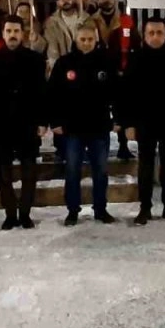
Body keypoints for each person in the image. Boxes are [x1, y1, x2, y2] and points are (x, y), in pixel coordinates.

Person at [118, 18, 165, 225]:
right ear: (144, 35)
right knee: (146, 166)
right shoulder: (136, 58)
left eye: (159, 32)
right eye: (151, 33)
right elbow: (126, 94)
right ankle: (145, 208)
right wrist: (128, 123)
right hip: (144, 122)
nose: (155, 36)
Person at [0, 15, 47, 230]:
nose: (12, 35)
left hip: (27, 123)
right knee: (4, 173)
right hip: (1, 124)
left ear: (23, 33)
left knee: (29, 172)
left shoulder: (35, 60)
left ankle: (25, 213)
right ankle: (10, 213)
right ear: (3, 33)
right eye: (8, 31)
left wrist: (42, 121)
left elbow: (41, 93)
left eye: (16, 31)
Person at [48, 24, 118, 226]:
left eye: (90, 39)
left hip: (99, 126)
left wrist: (119, 119)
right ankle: (72, 210)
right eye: (82, 39)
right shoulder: (64, 63)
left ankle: (100, 209)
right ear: (76, 40)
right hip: (72, 128)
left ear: (96, 40)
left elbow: (117, 93)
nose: (86, 43)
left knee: (101, 170)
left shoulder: (106, 62)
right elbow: (53, 94)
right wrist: (55, 121)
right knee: (72, 171)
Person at [92, 0, 136, 160]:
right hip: (99, 68)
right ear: (98, 0)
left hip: (120, 70)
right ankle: (99, 146)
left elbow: (134, 40)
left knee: (122, 108)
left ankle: (123, 145)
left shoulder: (125, 20)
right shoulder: (91, 20)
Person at [43, 0, 88, 69]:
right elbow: (52, 48)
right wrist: (56, 67)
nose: (65, 0)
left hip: (83, 64)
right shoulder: (51, 23)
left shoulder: (85, 18)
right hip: (62, 65)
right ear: (58, 2)